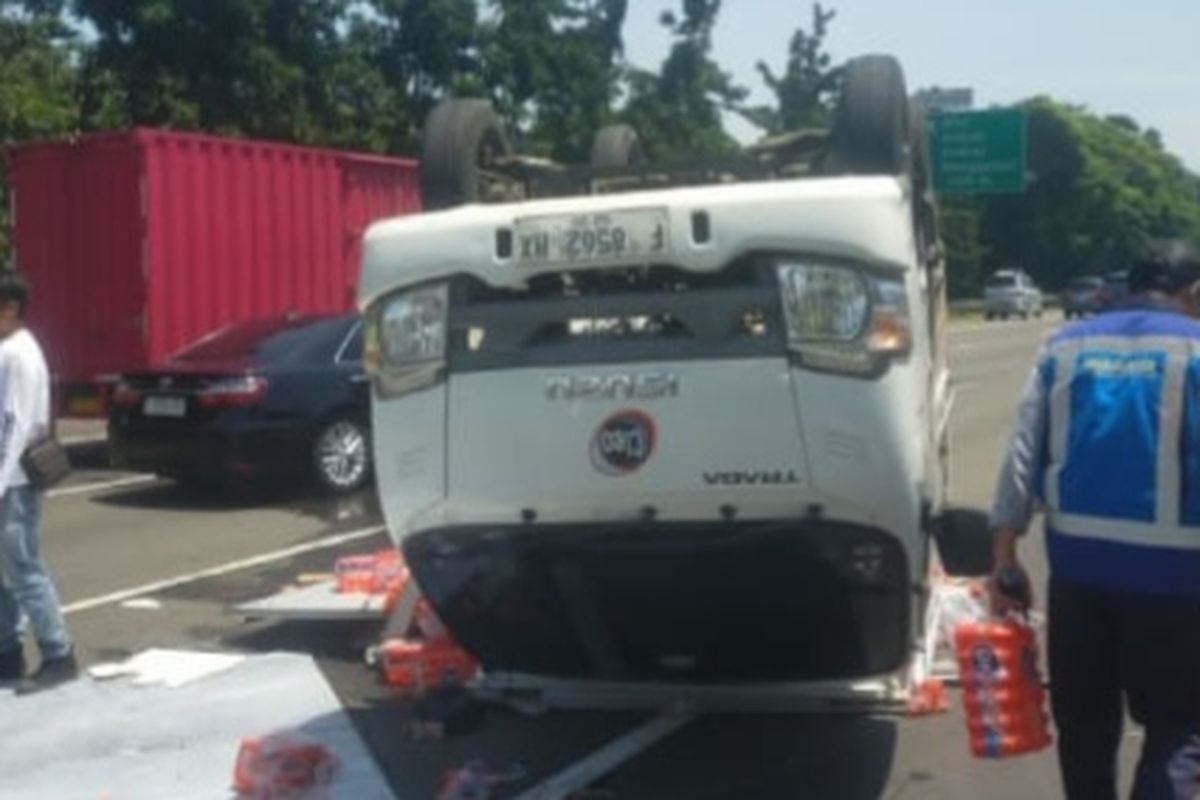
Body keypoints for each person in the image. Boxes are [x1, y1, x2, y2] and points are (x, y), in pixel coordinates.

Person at [989, 240, 1200, 799]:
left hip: (1079, 578)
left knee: (1085, 727)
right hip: (1177, 582)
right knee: (1178, 725)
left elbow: (1021, 456)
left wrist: (1005, 559)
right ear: (1193, 293)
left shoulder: (1063, 346)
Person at [0, 270, 76, 692]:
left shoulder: (17, 354)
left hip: (14, 480)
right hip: (7, 477)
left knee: (23, 566)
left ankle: (58, 654)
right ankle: (7, 653)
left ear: (10, 307)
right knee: (5, 570)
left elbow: (15, 423)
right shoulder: (9, 348)